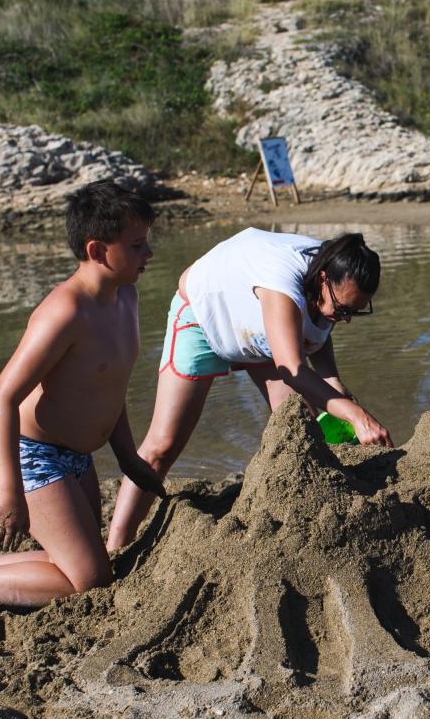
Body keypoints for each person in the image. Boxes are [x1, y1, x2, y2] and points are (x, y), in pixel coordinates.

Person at [0, 182, 165, 611]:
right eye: (137, 245)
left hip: (78, 458)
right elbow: (1, 398)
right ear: (97, 251)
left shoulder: (126, 298)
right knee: (89, 581)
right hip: (36, 456)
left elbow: (109, 387)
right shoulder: (64, 313)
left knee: (84, 565)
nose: (148, 254)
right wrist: (11, 493)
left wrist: (128, 458)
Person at [106, 228, 392, 549]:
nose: (346, 320)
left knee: (300, 427)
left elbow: (319, 328)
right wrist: (357, 416)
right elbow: (294, 369)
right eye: (343, 310)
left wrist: (334, 383)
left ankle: (305, 518)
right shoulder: (282, 280)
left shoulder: (334, 270)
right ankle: (116, 545)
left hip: (258, 328)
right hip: (205, 317)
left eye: (356, 311)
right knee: (163, 446)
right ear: (322, 279)